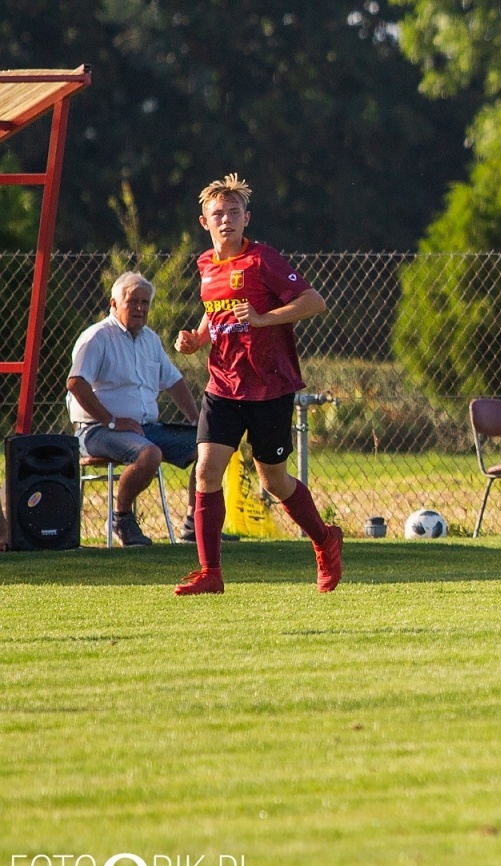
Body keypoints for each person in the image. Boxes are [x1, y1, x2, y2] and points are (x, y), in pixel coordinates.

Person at [171, 173, 342, 596]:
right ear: (204, 222)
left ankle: (324, 540)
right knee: (207, 471)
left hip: (269, 387)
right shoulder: (206, 266)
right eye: (218, 214)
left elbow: (314, 302)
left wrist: (265, 318)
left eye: (233, 212)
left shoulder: (263, 260)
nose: (226, 219)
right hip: (222, 386)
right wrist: (196, 339)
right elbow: (215, 314)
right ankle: (211, 573)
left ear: (246, 218)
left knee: (274, 481)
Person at [66, 272, 202, 545]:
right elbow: (76, 383)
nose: (140, 308)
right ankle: (121, 519)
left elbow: (174, 381)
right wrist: (112, 421)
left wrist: (198, 421)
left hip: (144, 428)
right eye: (132, 301)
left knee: (210, 447)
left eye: (145, 302)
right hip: (97, 431)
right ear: (114, 303)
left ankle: (195, 522)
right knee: (149, 454)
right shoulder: (97, 337)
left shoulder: (150, 340)